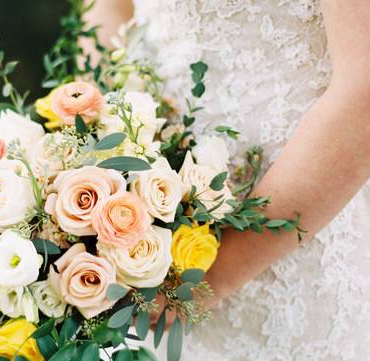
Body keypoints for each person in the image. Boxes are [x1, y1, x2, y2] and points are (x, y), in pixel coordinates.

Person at [85, 1, 370, 359]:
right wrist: (83, 161)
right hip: (143, 241)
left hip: (295, 244)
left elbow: (364, 93)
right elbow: (109, 11)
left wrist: (203, 282)